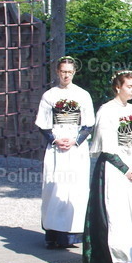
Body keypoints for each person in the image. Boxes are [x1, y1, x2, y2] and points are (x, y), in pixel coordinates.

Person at [82, 70, 132, 263]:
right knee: (114, 213)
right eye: (129, 86)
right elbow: (107, 146)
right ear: (118, 87)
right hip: (113, 169)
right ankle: (108, 260)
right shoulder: (107, 111)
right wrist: (125, 169)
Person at [34, 56, 95, 249]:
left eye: (69, 72)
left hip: (76, 148)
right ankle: (53, 234)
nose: (66, 75)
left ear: (74, 72)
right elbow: (42, 124)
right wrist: (55, 139)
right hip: (56, 148)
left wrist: (76, 140)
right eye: (63, 71)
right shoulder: (49, 95)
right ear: (57, 72)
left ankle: (72, 234)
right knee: (55, 188)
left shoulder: (83, 95)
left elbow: (89, 124)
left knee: (75, 189)